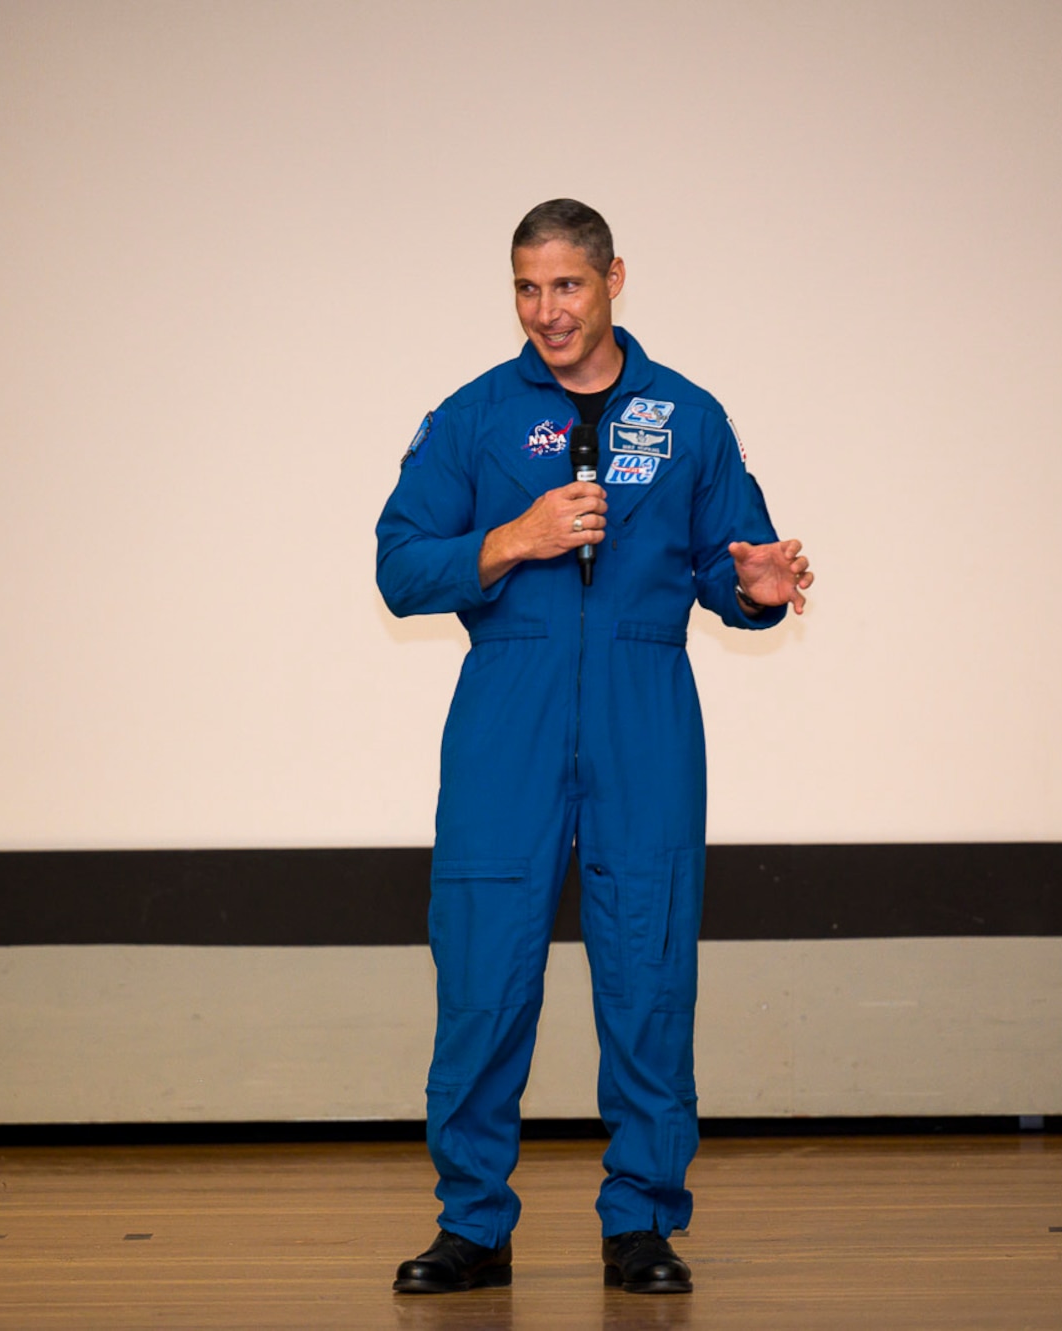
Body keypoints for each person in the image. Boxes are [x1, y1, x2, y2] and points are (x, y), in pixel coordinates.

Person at [375, 199, 811, 1296]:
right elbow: (398, 562)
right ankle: (472, 1224)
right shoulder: (472, 417)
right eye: (525, 288)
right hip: (505, 717)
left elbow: (730, 563)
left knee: (648, 973)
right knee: (480, 975)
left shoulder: (690, 416)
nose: (545, 311)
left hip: (642, 709)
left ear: (615, 277)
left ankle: (641, 1223)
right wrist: (512, 539)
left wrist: (754, 590)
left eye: (565, 285)